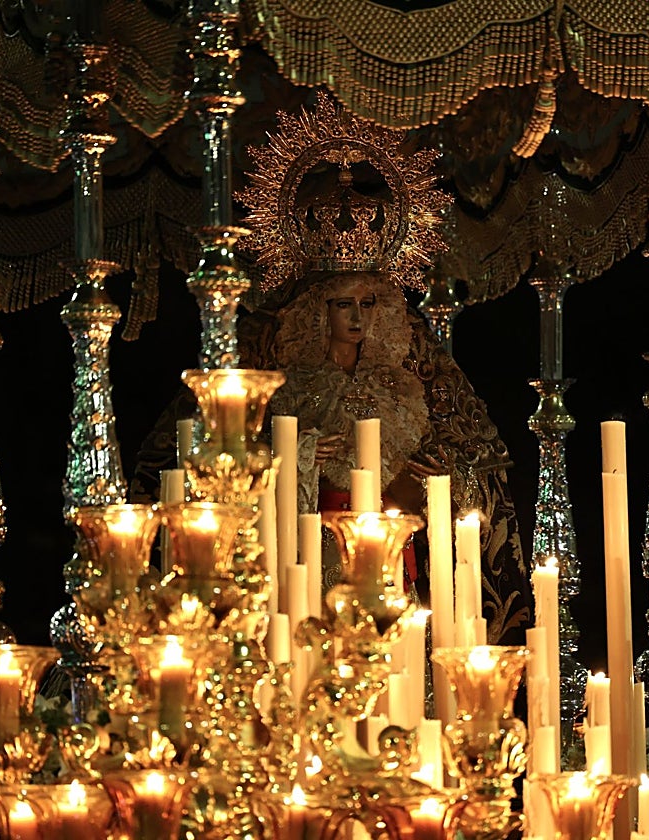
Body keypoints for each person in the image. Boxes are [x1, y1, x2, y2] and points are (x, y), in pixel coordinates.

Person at [131, 93, 532, 644]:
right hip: (305, 567)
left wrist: (440, 478)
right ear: (317, 311)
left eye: (368, 304)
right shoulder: (279, 377)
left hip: (391, 565)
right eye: (344, 304)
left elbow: (475, 470)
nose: (357, 318)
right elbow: (208, 466)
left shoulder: (409, 379)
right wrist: (290, 456)